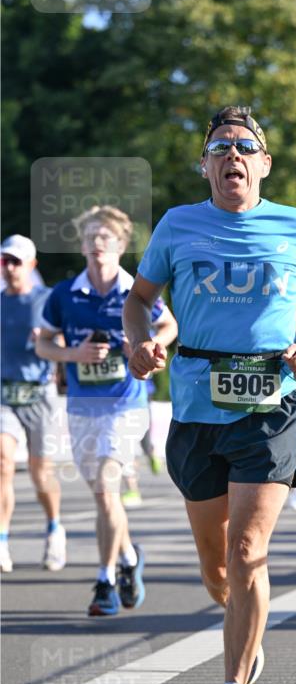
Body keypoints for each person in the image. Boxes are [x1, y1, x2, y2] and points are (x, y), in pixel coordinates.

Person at [122, 105, 296, 684]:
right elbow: (139, 300)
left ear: (263, 163)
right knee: (217, 568)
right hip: (193, 410)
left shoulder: (295, 226)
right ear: (206, 165)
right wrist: (138, 343)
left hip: (269, 407)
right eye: (220, 147)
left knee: (248, 552)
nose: (232, 156)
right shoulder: (177, 224)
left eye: (245, 146)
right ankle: (244, 629)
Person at [36, 206, 177, 614]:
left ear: (120, 246)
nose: (98, 244)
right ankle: (131, 559)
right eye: (92, 237)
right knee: (105, 499)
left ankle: (105, 581)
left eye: (107, 238)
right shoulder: (64, 294)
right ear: (82, 245)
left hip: (126, 403)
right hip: (82, 408)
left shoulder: (134, 291)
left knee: (106, 485)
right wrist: (72, 353)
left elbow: (169, 326)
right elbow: (44, 344)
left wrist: (150, 344)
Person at [1, 235, 66, 573]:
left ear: (31, 264)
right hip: (4, 394)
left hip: (40, 394)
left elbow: (63, 341)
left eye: (16, 261)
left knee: (42, 473)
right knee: (2, 463)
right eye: (4, 261)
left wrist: (51, 342)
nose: (9, 267)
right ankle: (2, 539)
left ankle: (55, 528)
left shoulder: (46, 299)